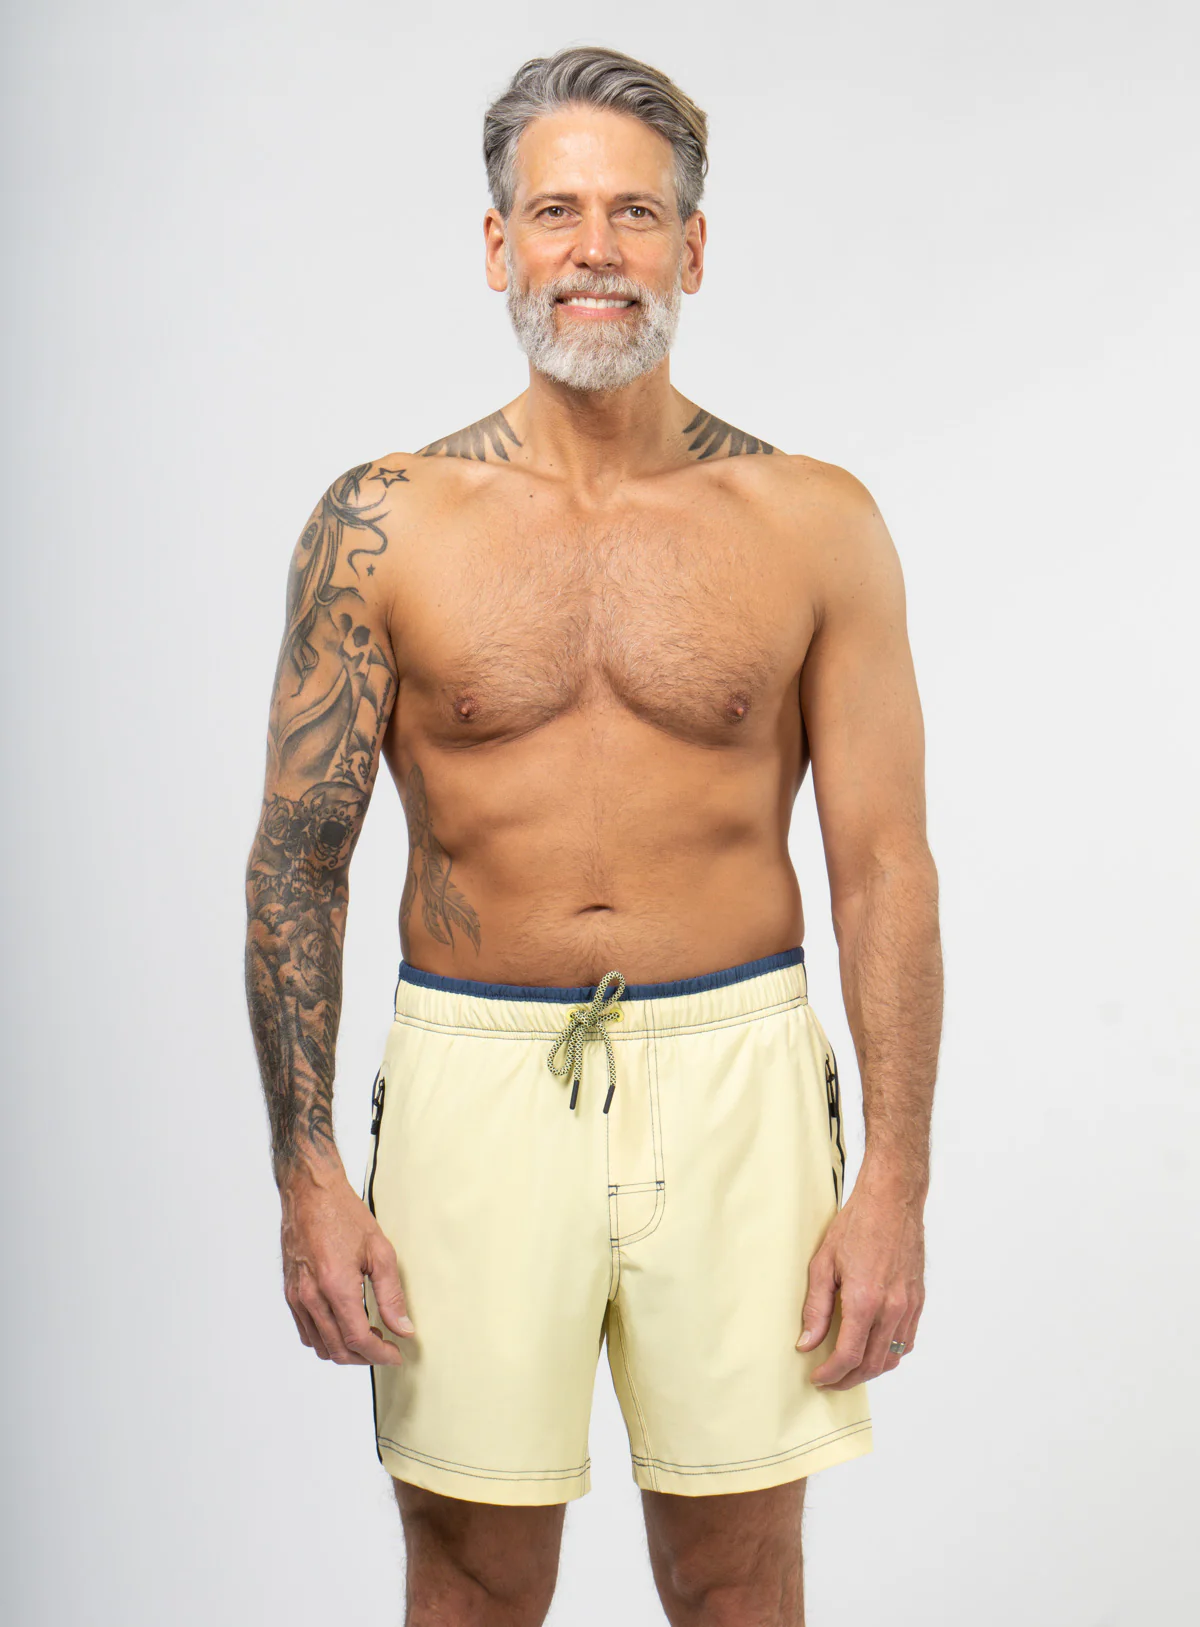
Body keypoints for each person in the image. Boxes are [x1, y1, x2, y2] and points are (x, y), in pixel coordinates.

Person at [244, 43, 941, 1627]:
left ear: (692, 246)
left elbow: (885, 867)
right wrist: (306, 1169)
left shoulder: (813, 520)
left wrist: (896, 1178)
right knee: (472, 1572)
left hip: (739, 1072)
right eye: (558, 211)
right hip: (474, 1075)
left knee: (739, 1572)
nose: (596, 249)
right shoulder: (383, 524)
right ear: (500, 244)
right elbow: (297, 858)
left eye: (635, 213)